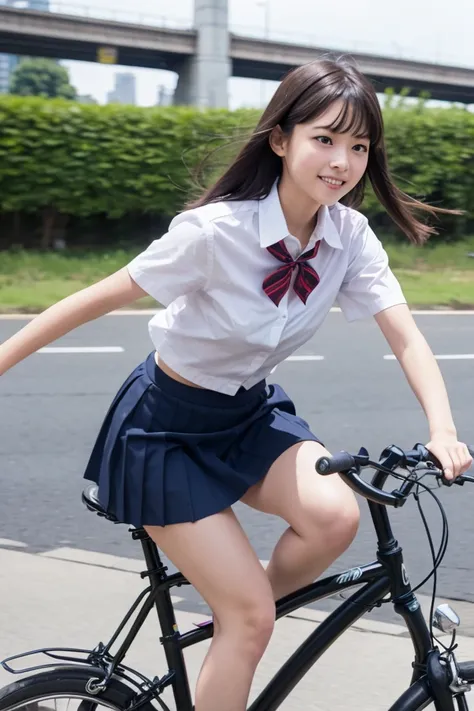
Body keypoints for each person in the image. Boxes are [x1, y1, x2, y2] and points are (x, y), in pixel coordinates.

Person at [0, 58, 472, 711]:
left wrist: (443, 429)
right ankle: (243, 619)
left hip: (250, 415)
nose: (342, 160)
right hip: (164, 429)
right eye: (325, 139)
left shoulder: (350, 238)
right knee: (251, 619)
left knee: (334, 516)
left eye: (359, 145)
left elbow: (407, 337)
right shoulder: (216, 232)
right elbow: (94, 298)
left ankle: (241, 616)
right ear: (281, 139)